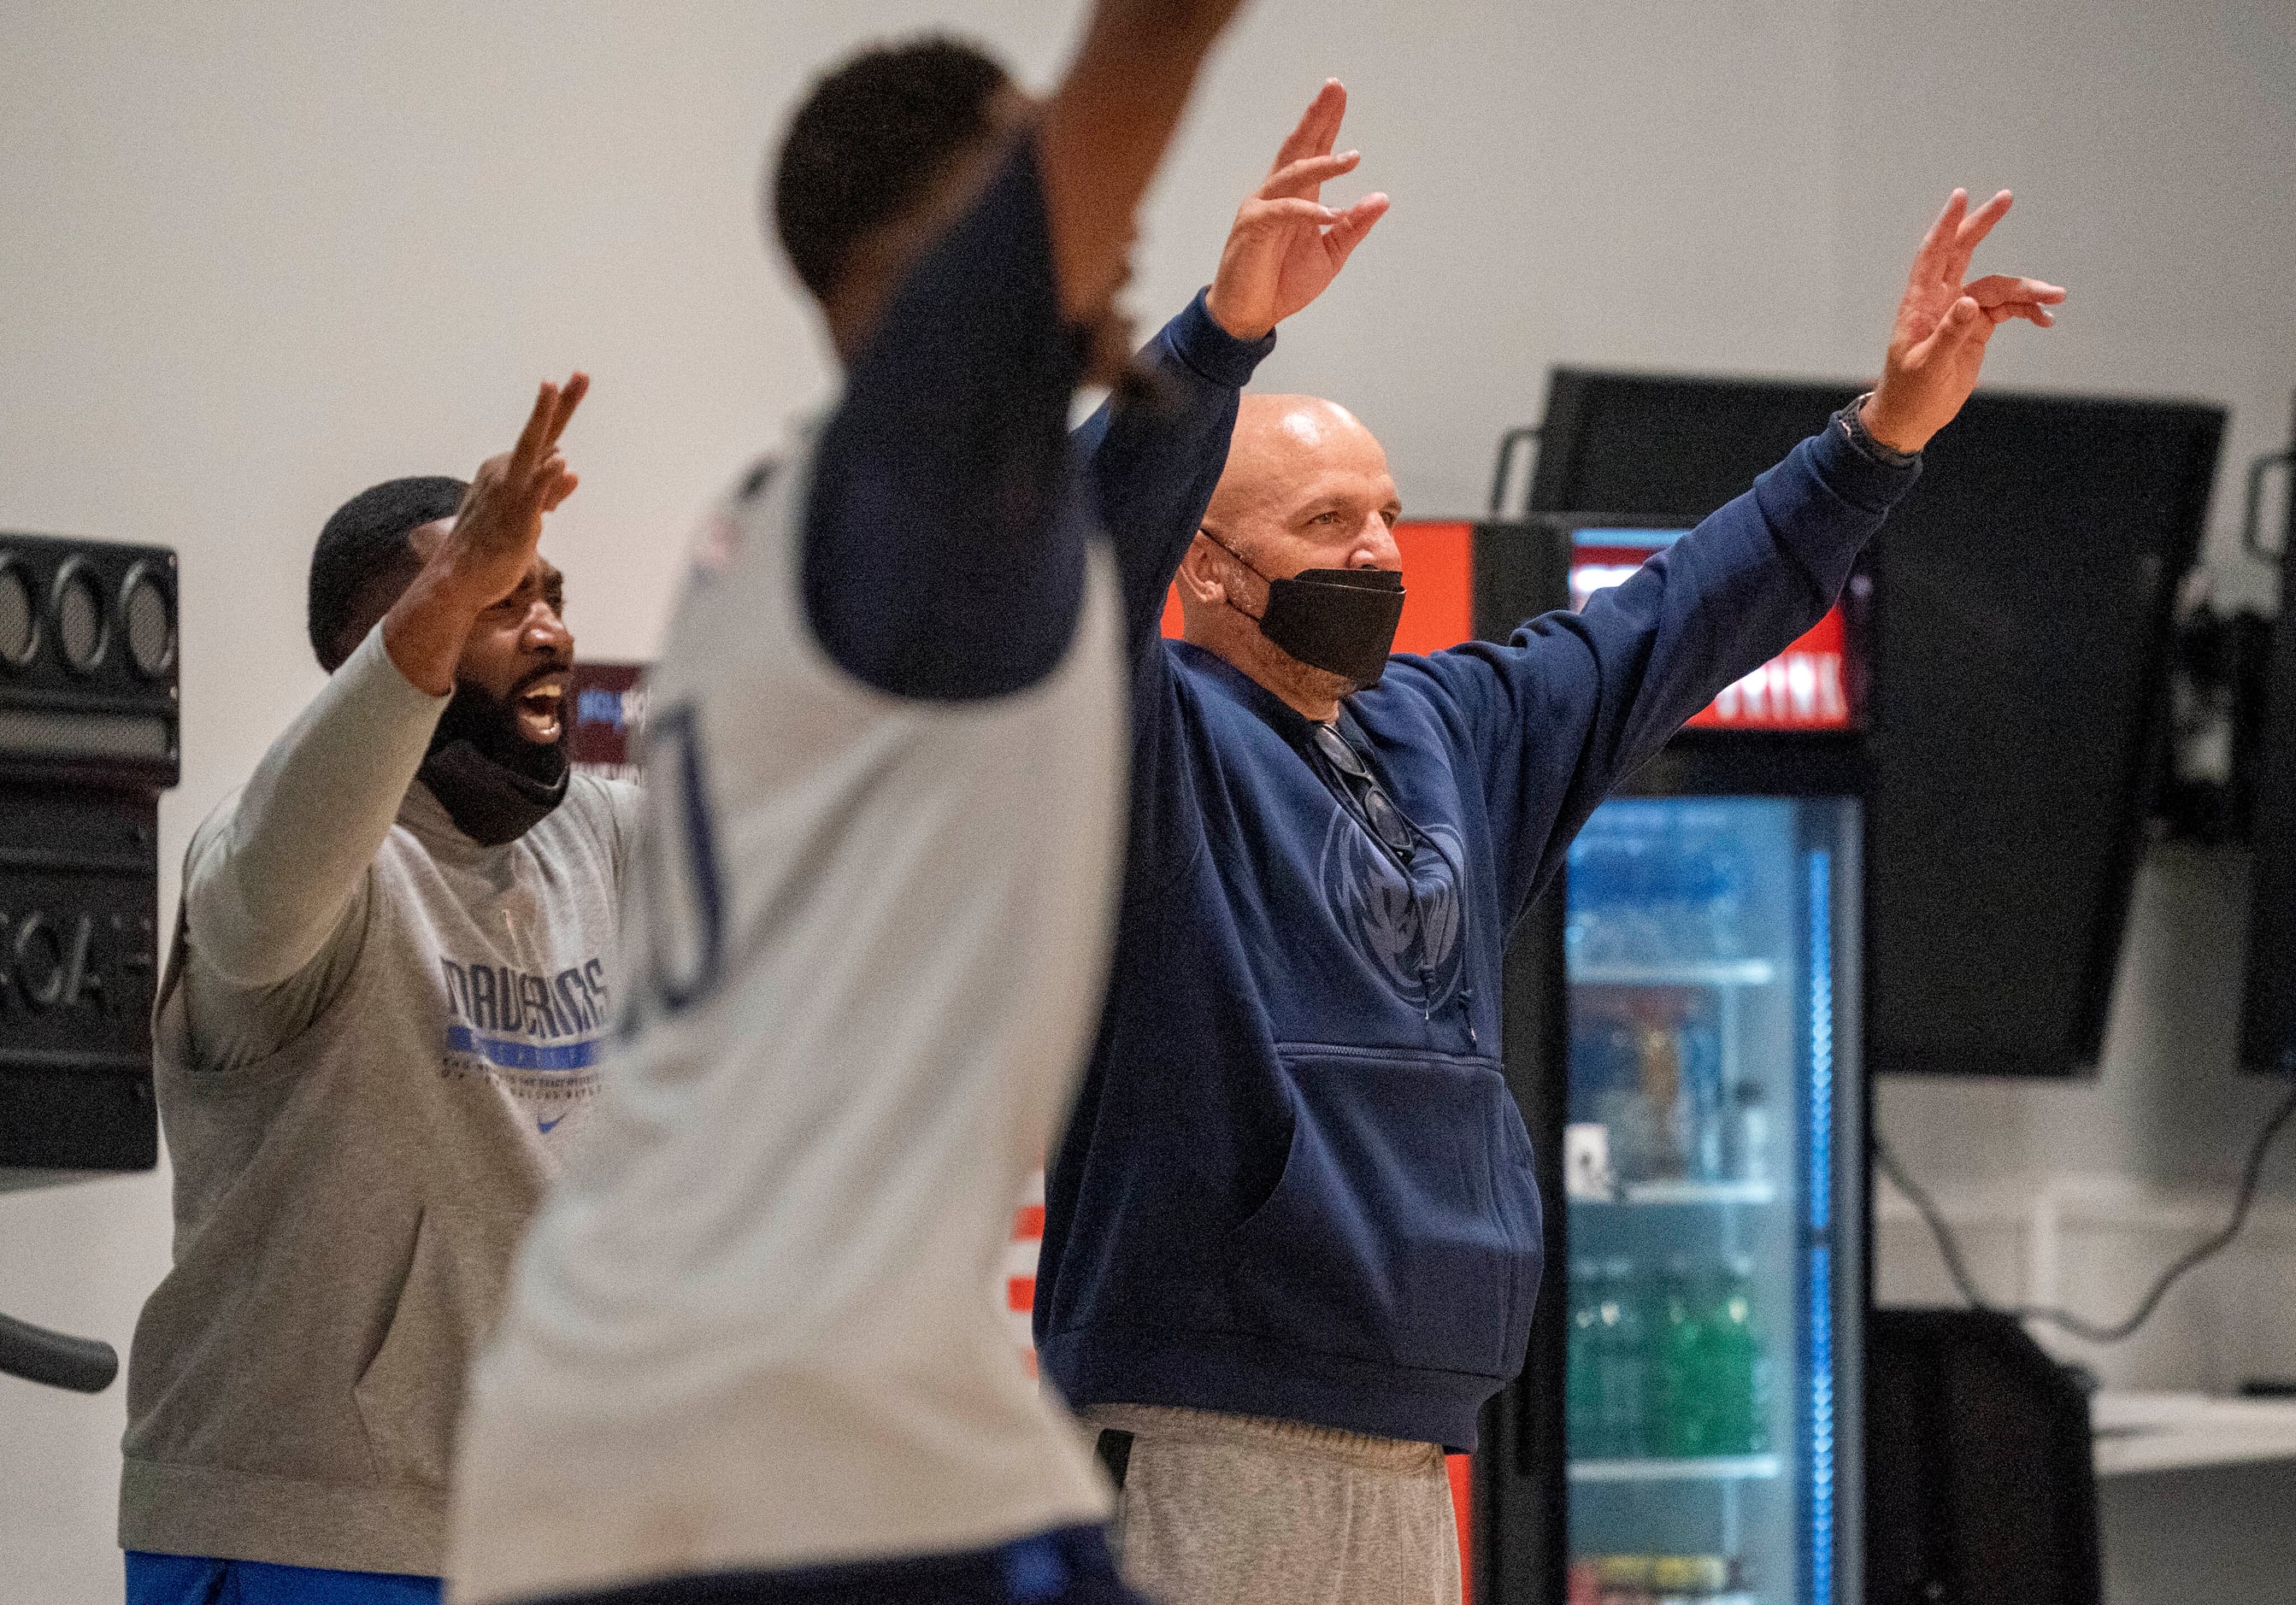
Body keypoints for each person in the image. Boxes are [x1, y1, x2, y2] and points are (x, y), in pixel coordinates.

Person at [442, 15, 1384, 1605]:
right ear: (937, 247)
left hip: (726, 1411)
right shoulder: (909, 480)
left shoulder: (821, 522)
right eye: (1042, 169)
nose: (1120, 214)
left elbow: (1103, 472)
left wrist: (1221, 335)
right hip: (772, 1439)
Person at [1033, 192, 2067, 1605]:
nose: (1380, 553)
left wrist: (1877, 438)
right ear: (1206, 566)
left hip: (1408, 1455)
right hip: (1203, 1433)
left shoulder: (1441, 734)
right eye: (1327, 521)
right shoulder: (1141, 738)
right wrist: (1218, 341)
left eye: (1387, 515)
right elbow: (1067, 567)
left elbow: (1676, 618)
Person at [117, 377, 632, 1605]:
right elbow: (285, 855)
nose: (550, 628)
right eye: (501, 600)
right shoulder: (275, 860)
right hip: (296, 1532)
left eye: (549, 596)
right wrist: (448, 590)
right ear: (368, 653)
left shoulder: (599, 839)